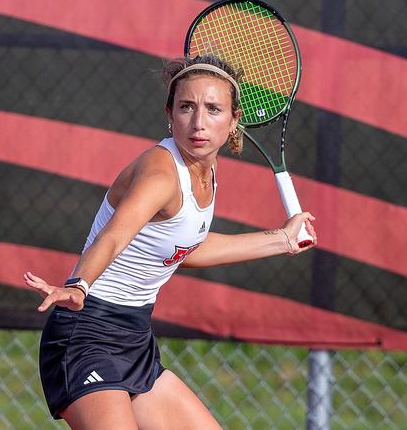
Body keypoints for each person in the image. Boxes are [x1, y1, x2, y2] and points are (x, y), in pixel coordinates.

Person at [24, 54, 317, 429]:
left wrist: (282, 239)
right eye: (186, 107)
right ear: (169, 114)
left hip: (134, 338)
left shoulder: (205, 168)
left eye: (213, 109)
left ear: (233, 121)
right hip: (86, 334)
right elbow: (114, 236)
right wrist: (78, 284)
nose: (198, 122)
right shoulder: (162, 175)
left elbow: (184, 249)